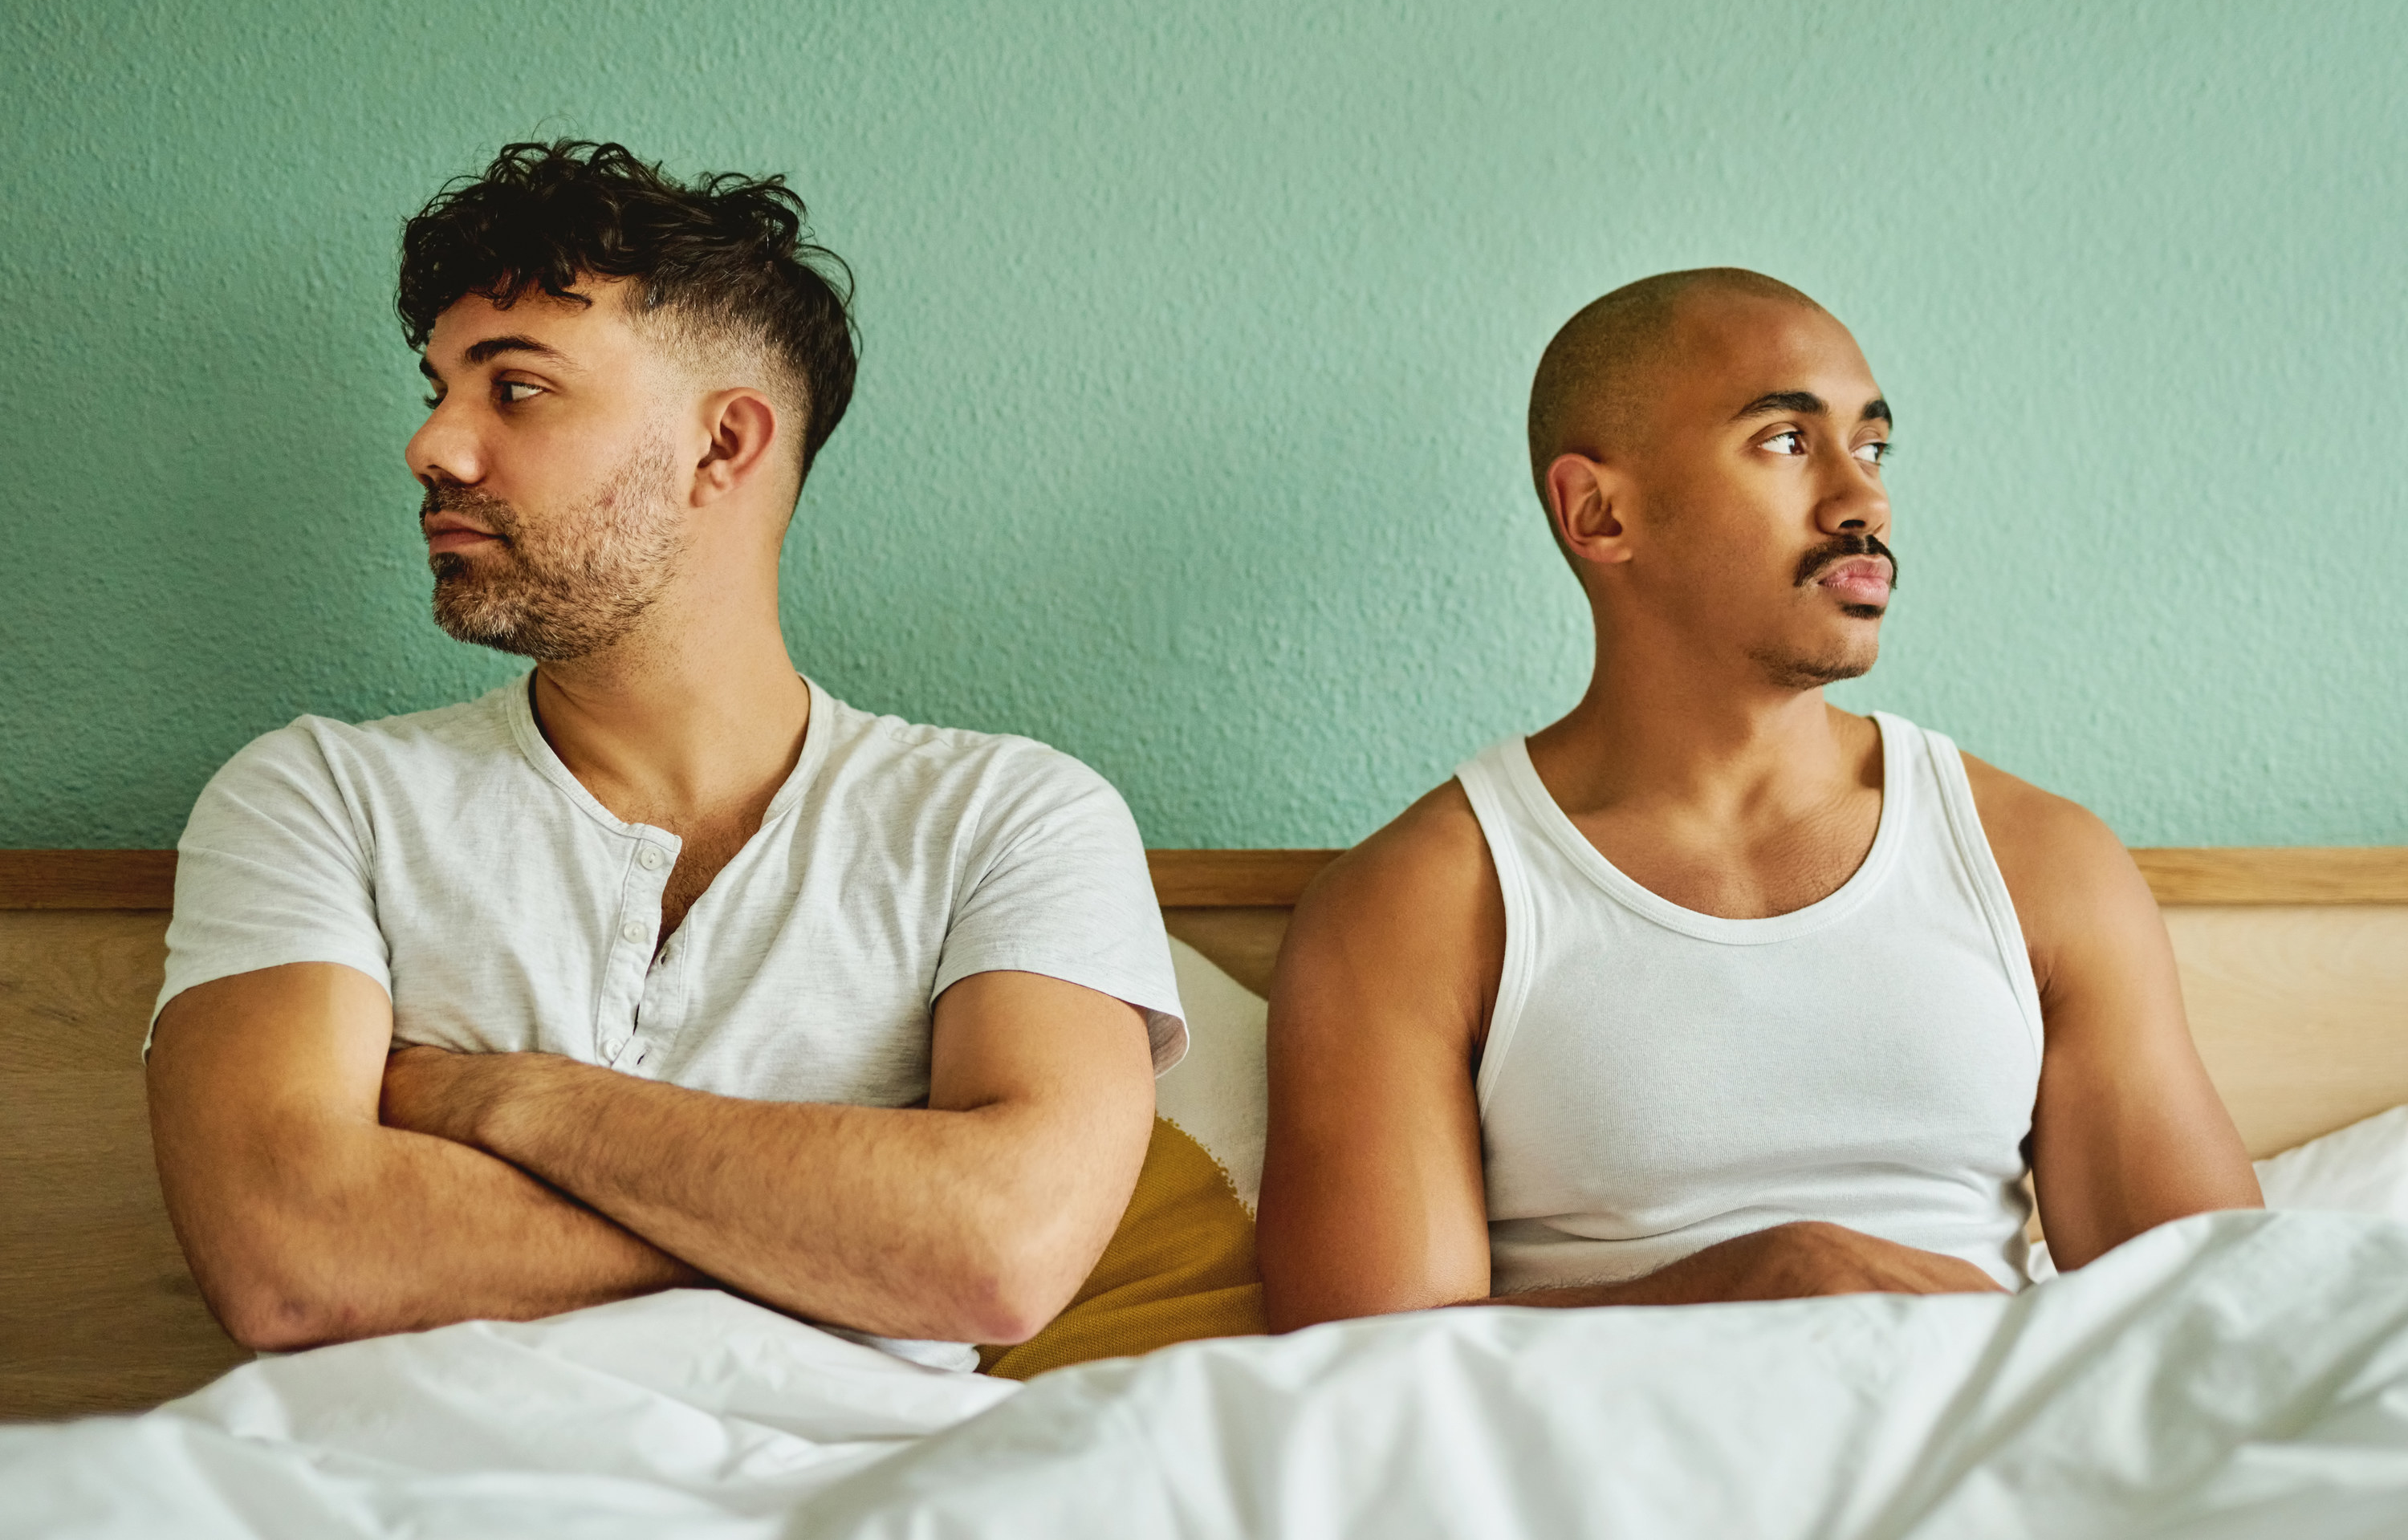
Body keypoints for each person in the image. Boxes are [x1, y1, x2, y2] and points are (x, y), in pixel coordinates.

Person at [145, 141, 1184, 1372]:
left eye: (513, 388)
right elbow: (292, 1260)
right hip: (396, 1490)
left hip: (870, 1490)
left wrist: (505, 1100)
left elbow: (1000, 1253)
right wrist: (851, 1245)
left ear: (723, 446)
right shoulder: (318, 798)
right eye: (434, 390)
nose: (433, 446)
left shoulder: (1011, 818)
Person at [1257, 268, 2260, 1328]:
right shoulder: (1419, 905)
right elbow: (1366, 1373)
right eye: (1788, 440)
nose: (1861, 498)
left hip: (1994, 1463)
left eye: (1870, 447)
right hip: (1612, 1481)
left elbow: (2227, 1316)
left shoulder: (2040, 862)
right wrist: (1761, 1279)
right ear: (1599, 513)